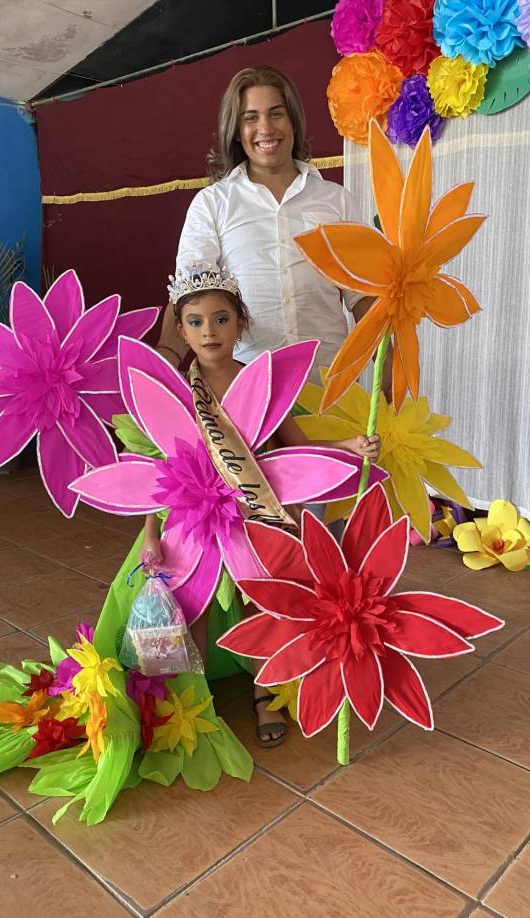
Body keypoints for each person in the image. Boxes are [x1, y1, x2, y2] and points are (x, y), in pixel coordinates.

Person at [143, 266, 380, 746]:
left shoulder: (263, 380)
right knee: (193, 606)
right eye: (195, 322)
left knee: (261, 602)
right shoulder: (176, 389)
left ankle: (265, 694)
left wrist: (350, 446)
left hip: (256, 515)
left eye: (221, 318)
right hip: (194, 517)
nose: (209, 331)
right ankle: (195, 703)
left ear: (241, 323)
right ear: (181, 328)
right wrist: (150, 533)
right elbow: (157, 469)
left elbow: (294, 445)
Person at [155, 65, 387, 388]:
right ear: (236, 130)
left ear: (293, 121)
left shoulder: (336, 201)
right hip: (249, 398)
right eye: (251, 117)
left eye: (276, 114)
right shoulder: (212, 204)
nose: (265, 128)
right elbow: (189, 299)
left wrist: (388, 373)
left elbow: (364, 298)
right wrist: (163, 362)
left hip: (331, 391)